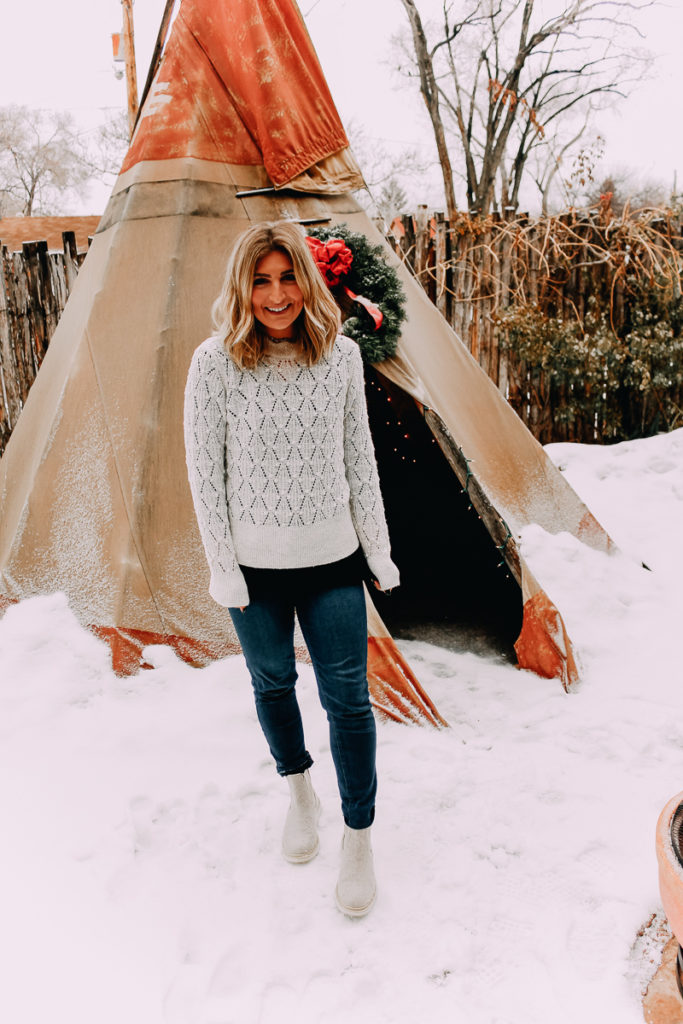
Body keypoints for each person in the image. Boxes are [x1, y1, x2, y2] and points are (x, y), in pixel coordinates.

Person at [183, 220, 399, 918]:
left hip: (330, 559)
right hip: (254, 569)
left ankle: (359, 835)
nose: (276, 295)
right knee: (272, 683)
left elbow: (359, 463)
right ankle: (299, 793)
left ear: (306, 284)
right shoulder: (213, 363)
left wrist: (379, 552)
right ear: (243, 287)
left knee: (348, 702)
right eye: (262, 279)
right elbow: (204, 476)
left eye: (287, 278)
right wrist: (224, 569)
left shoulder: (340, 360)